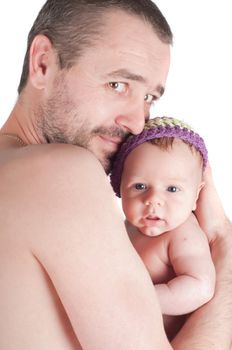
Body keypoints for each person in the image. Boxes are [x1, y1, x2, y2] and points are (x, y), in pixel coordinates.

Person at [0, 1, 231, 349]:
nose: (138, 122)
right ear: (43, 63)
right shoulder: (61, 172)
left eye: (149, 97)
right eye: (118, 85)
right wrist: (222, 243)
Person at [110, 116, 216, 318]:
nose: (153, 200)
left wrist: (142, 299)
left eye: (172, 189)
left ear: (195, 195)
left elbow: (200, 286)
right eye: (140, 186)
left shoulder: (183, 235)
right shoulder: (126, 228)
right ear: (120, 187)